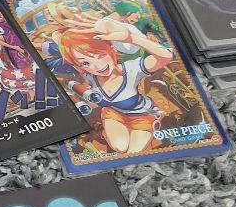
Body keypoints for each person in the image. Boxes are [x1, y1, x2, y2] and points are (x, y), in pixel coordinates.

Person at [55, 13, 175, 155]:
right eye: (85, 63)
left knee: (133, 152)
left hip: (143, 114)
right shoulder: (88, 77)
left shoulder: (130, 70)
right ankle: (102, 130)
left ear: (111, 49)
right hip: (113, 114)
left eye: (100, 55)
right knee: (120, 147)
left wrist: (131, 38)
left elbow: (166, 56)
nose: (97, 66)